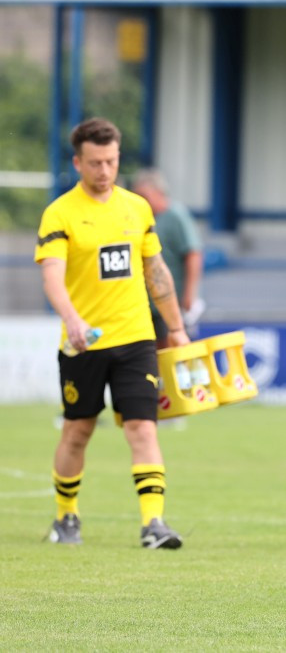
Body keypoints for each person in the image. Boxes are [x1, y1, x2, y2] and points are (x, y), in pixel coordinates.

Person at [35, 117, 189, 549]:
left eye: (112, 161)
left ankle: (153, 523)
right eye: (95, 163)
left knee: (143, 427)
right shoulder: (60, 213)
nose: (104, 171)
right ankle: (66, 517)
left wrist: (177, 328)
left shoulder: (137, 208)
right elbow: (52, 276)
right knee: (78, 430)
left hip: (136, 338)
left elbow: (155, 271)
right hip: (83, 343)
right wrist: (73, 320)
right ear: (77, 162)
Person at [132, 168, 204, 347]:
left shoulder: (175, 215)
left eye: (144, 196)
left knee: (169, 346)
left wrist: (190, 294)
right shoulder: (138, 218)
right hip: (145, 301)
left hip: (170, 299)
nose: (140, 201)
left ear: (159, 193)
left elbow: (193, 254)